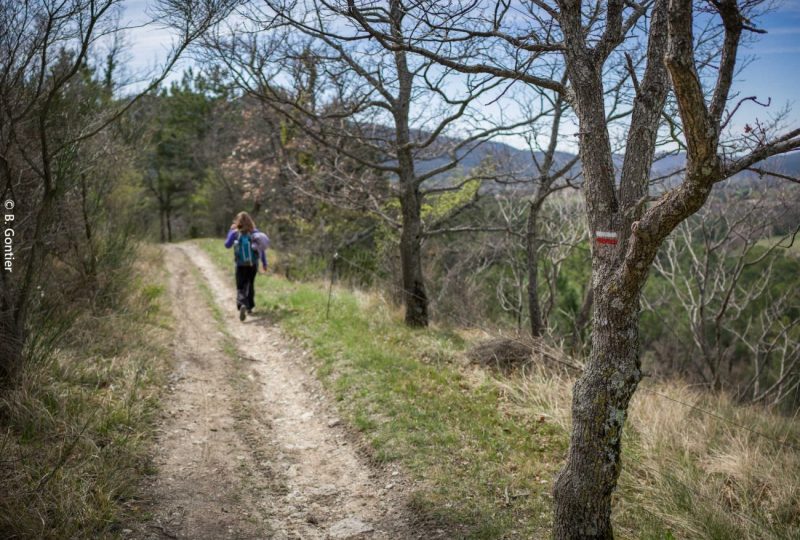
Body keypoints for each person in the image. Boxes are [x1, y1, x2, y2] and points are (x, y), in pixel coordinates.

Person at [224, 211, 269, 321]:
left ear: (237, 222)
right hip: (253, 264)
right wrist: (264, 262)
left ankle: (242, 303)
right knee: (250, 283)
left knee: (241, 286)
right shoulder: (255, 233)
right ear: (250, 221)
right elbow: (261, 249)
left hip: (240, 264)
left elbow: (227, 245)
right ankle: (249, 307)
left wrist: (231, 230)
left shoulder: (235, 233)